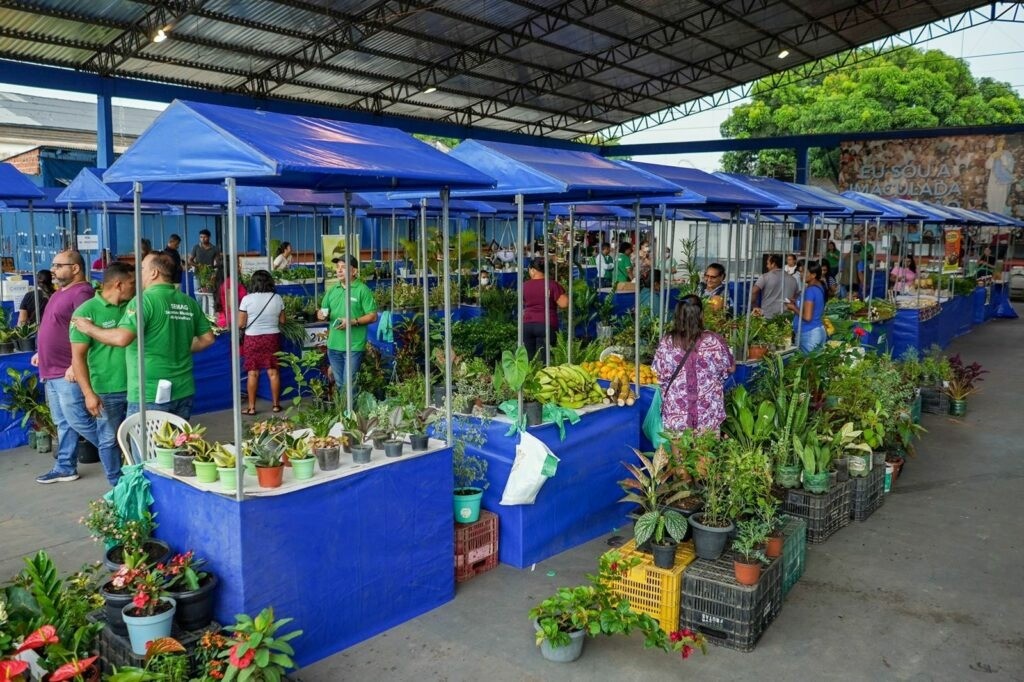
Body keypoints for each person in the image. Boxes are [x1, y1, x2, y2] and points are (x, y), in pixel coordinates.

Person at [71, 251, 215, 419]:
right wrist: (177, 346)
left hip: (150, 392)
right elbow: (208, 339)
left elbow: (122, 338)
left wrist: (89, 328)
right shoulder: (188, 301)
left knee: (144, 445)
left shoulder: (143, 301)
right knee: (175, 444)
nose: (139, 273)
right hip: (184, 389)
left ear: (154, 273)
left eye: (142, 268)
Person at [32, 251, 101, 484]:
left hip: (67, 371)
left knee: (78, 420)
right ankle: (65, 467)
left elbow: (87, 330)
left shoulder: (82, 292)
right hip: (51, 370)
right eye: (53, 265)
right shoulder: (60, 292)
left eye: (59, 265)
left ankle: (120, 452)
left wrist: (75, 364)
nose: (53, 269)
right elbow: (56, 327)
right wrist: (39, 353)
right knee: (64, 422)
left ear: (75, 268)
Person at [69, 262, 135, 486]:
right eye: (131, 283)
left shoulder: (133, 306)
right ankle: (116, 485)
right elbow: (77, 357)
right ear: (118, 284)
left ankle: (137, 481)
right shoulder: (85, 312)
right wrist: (88, 393)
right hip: (106, 389)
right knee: (108, 439)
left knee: (138, 438)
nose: (135, 287)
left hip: (137, 387)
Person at [651, 295, 734, 433]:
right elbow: (729, 368)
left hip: (676, 412)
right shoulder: (714, 341)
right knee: (705, 452)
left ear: (677, 315)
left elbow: (658, 373)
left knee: (677, 454)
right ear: (701, 315)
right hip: (707, 412)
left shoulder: (667, 342)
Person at [318, 255, 378, 398]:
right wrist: (320, 314)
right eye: (337, 267)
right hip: (334, 346)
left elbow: (373, 316)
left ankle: (352, 417)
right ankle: (345, 415)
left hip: (353, 346)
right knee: (340, 384)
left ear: (354, 271)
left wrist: (352, 321)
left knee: (349, 384)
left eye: (343, 267)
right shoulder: (333, 290)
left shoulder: (362, 290)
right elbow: (322, 310)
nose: (339, 270)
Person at [238, 270, 285, 415]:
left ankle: (251, 408)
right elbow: (283, 321)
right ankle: (276, 405)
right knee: (273, 372)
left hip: (252, 339)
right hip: (272, 338)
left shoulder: (246, 299)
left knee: (253, 373)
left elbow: (241, 324)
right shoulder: (277, 298)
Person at [522, 257, 568, 361]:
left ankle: (530, 376)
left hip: (527, 324)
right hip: (546, 324)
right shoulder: (551, 285)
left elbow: (523, 301)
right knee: (545, 359)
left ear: (533, 270)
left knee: (529, 359)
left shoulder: (524, 286)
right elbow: (564, 303)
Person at [786, 261, 827, 353]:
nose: (801, 274)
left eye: (804, 272)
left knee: (808, 365)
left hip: (809, 333)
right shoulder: (818, 287)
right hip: (817, 330)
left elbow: (807, 317)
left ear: (813, 275)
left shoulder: (810, 291)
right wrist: (796, 302)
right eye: (801, 272)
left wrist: (793, 307)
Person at [751, 254, 798, 319]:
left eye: (768, 263)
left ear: (773, 264)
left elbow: (754, 291)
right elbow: (795, 297)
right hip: (786, 317)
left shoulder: (765, 277)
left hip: (768, 314)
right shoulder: (793, 279)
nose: (767, 266)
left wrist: (754, 305)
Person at [215, 261, 248, 328]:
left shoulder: (228, 281)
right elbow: (231, 304)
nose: (239, 267)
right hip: (233, 321)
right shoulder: (229, 282)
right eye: (238, 266)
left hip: (229, 319)